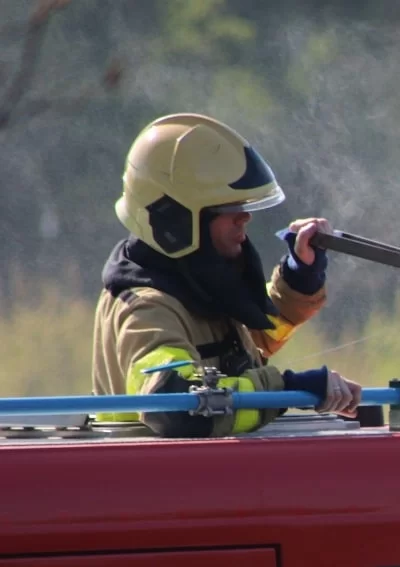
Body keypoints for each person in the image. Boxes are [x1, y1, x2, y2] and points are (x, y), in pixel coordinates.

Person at [91, 112, 362, 438]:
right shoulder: (148, 309)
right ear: (176, 218)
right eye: (227, 209)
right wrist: (288, 388)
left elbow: (251, 337)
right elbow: (177, 407)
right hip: (162, 484)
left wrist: (298, 276)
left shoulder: (190, 286)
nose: (244, 217)